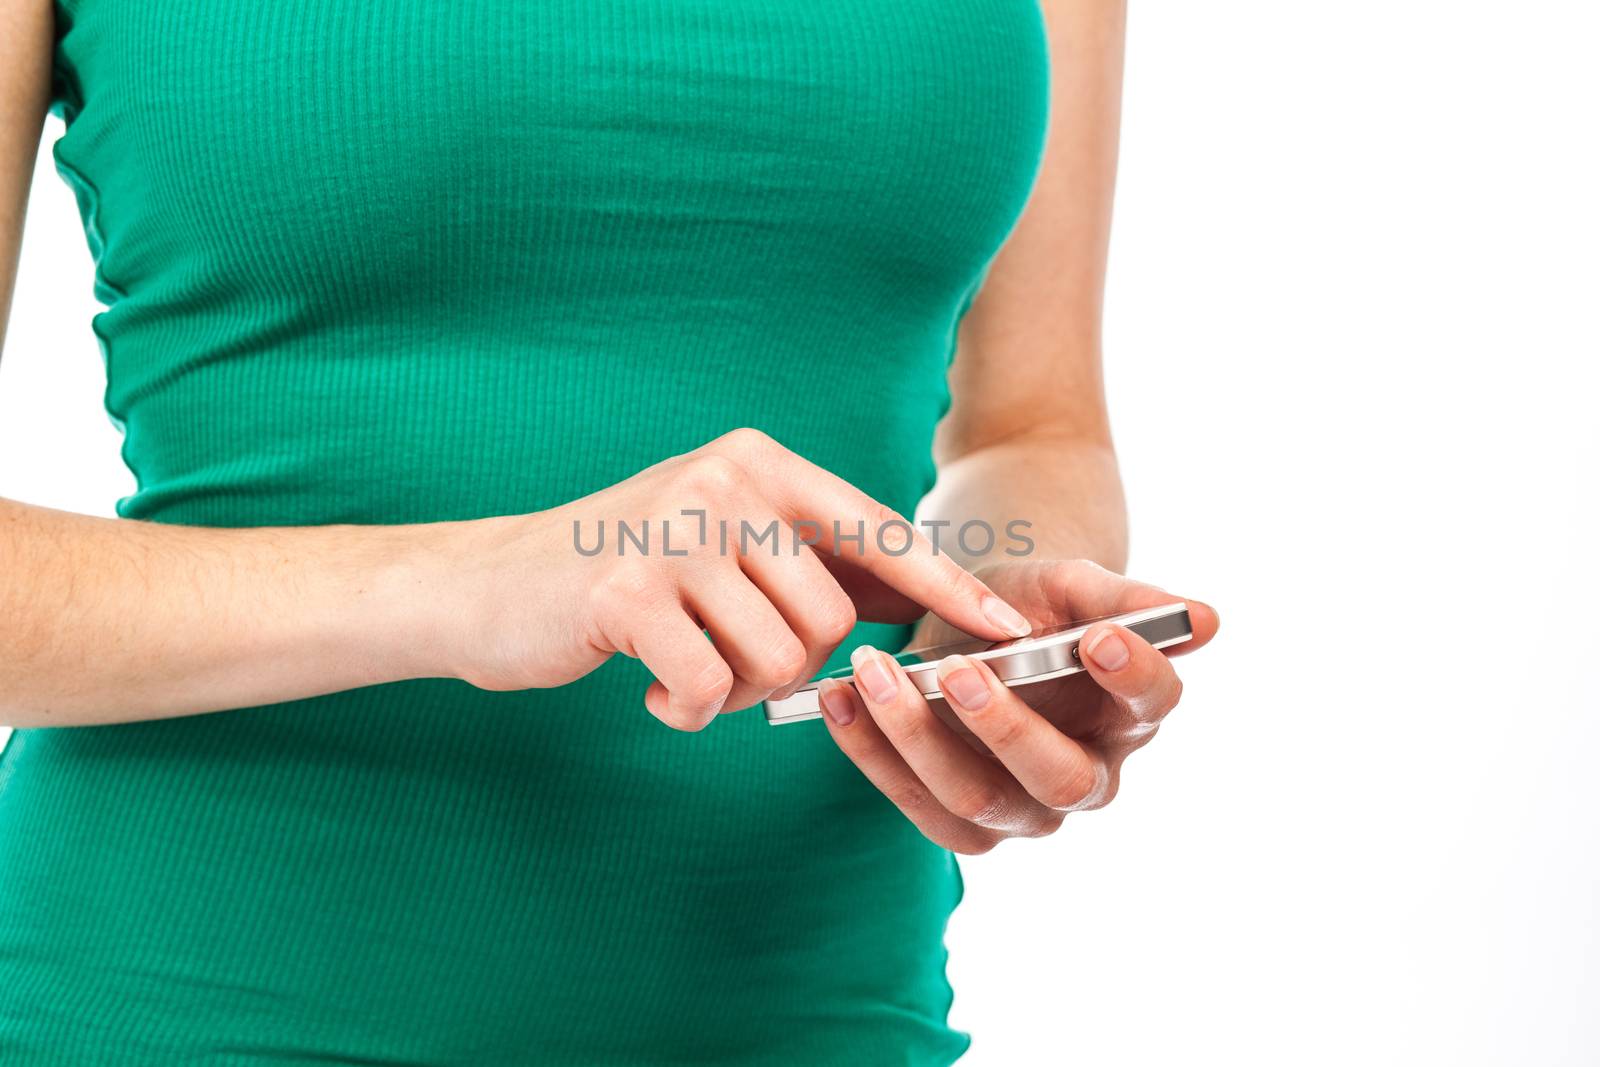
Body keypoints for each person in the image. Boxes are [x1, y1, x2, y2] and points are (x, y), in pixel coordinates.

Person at [0, 0, 1218, 1062]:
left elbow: (1032, 424)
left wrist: (1002, 616)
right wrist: (484, 577)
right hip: (180, 992)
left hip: (823, 998)